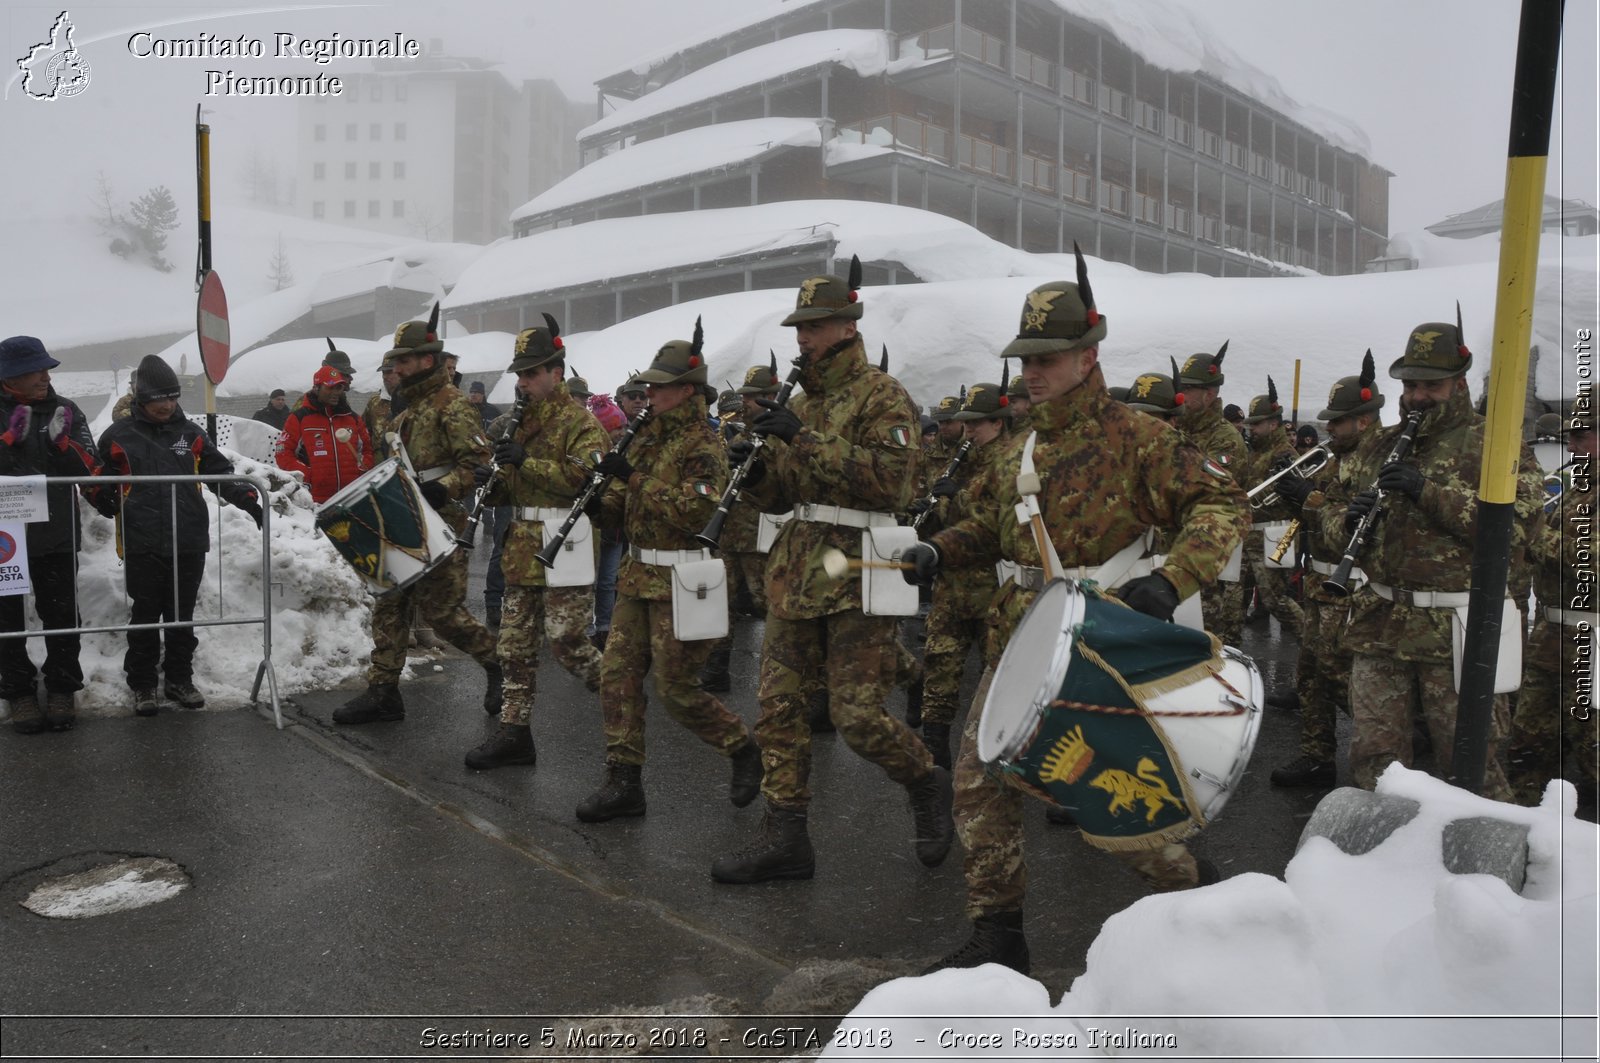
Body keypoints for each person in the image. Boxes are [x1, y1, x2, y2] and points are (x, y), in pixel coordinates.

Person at [901, 261, 1248, 974]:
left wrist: (1173, 576)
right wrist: (941, 548)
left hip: (1100, 644)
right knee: (977, 780)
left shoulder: (1136, 438)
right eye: (1024, 359)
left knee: (1105, 798)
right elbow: (989, 528)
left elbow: (1222, 506)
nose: (1030, 372)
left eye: (1046, 359)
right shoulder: (1015, 450)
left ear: (1089, 354)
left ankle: (1201, 893)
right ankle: (999, 934)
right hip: (1019, 641)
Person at [709, 259, 951, 885]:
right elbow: (787, 495)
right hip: (798, 567)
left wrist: (806, 441)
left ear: (846, 326)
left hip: (857, 570)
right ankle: (786, 836)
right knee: (779, 710)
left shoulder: (881, 393)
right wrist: (759, 470)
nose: (802, 338)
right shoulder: (805, 399)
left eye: (814, 326)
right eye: (800, 327)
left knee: (856, 717)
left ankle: (926, 779)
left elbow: (893, 480)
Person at [1319, 315, 1543, 800]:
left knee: (1469, 763)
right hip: (1382, 621)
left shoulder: (1494, 441)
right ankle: (1384, 859)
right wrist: (1347, 522)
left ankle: (1477, 868)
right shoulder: (1378, 443)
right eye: (1411, 385)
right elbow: (1331, 512)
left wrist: (1427, 493)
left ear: (1458, 381)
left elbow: (1520, 529)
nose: (1417, 396)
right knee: (1375, 760)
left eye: (1431, 386)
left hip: (1459, 628)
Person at [575, 326, 762, 822]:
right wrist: (600, 501)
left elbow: (694, 512)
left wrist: (632, 478)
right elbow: (626, 506)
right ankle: (623, 781)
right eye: (647, 388)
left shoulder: (703, 442)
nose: (648, 395)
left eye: (659, 387)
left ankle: (741, 745)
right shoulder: (646, 435)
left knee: (676, 689)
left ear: (688, 390)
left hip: (682, 579)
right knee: (616, 678)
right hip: (638, 576)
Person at [333, 317, 502, 725]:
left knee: (443, 613)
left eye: (404, 361)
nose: (398, 369)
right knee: (389, 604)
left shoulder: (452, 403)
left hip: (440, 522)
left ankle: (499, 667)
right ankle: (383, 693)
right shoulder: (406, 409)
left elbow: (479, 465)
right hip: (401, 517)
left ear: (428, 360)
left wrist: (444, 488)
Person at [463, 323, 608, 770]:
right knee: (514, 647)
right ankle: (514, 733)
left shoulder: (581, 423)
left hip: (565, 544)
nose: (522, 383)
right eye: (520, 375)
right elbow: (514, 489)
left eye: (530, 373)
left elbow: (584, 483)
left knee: (567, 642)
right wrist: (497, 481)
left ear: (556, 372)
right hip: (523, 547)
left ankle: (620, 697)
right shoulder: (518, 422)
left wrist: (527, 462)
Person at [92, 355, 263, 716]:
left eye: (172, 397)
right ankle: (141, 684)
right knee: (146, 615)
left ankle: (179, 679)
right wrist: (103, 497)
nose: (167, 404)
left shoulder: (191, 434)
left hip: (188, 539)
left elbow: (219, 471)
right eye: (159, 398)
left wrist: (248, 499)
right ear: (141, 398)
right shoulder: (119, 436)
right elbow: (96, 479)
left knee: (181, 615)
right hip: (142, 541)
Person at [1268, 352, 1384, 788]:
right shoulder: (1335, 458)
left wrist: (1309, 498)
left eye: (1338, 421)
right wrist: (1288, 489)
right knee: (1311, 675)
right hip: (1318, 580)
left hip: (1349, 587)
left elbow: (1355, 524)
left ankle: (1391, 749)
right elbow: (1312, 513)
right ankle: (1317, 757)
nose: (1330, 428)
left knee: (1339, 676)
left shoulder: (1379, 461)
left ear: (1364, 420)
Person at [0, 336, 101, 734]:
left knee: (61, 614)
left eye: (46, 368)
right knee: (6, 619)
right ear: (9, 376)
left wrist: (63, 446)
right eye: (35, 369)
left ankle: (62, 686)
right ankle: (18, 692)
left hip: (55, 531)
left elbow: (91, 466)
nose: (45, 375)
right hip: (5, 539)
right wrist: (7, 444)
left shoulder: (67, 410)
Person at [909, 379, 1010, 769]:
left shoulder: (1013, 460)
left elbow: (997, 519)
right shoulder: (962, 459)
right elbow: (948, 524)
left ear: (998, 423)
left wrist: (957, 496)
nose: (968, 432)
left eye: (976, 425)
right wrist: (930, 509)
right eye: (965, 424)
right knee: (941, 668)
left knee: (999, 677)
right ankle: (936, 755)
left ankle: (1001, 756)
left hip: (995, 589)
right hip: (953, 586)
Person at [1509, 408, 1598, 813]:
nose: (1573, 446)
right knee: (1527, 750)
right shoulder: (1576, 486)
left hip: (1592, 646)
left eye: (1582, 437)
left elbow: (1591, 559)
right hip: (1550, 635)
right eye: (1571, 438)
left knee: (1592, 753)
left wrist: (1533, 537)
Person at [1176, 345, 1247, 647]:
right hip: (1177, 551)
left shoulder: (1225, 439)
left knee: (1208, 642)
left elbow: (1206, 490)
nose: (1182, 396)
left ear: (1210, 394)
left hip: (1207, 556)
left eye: (1189, 390)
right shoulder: (1178, 429)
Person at [1240, 376, 1305, 639]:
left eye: (1257, 424)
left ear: (1273, 423)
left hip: (1276, 534)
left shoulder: (1284, 453)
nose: (1252, 429)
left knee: (1275, 599)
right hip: (1249, 534)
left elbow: (1296, 496)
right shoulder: (1254, 451)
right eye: (1251, 424)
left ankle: (1310, 640)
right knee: (1235, 598)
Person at [273, 365, 374, 504]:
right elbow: (282, 453)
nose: (335, 392)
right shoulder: (299, 418)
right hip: (315, 502)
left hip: (352, 499)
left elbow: (368, 450)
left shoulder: (353, 418)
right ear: (317, 388)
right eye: (330, 387)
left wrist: (360, 470)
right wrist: (307, 475)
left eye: (338, 388)